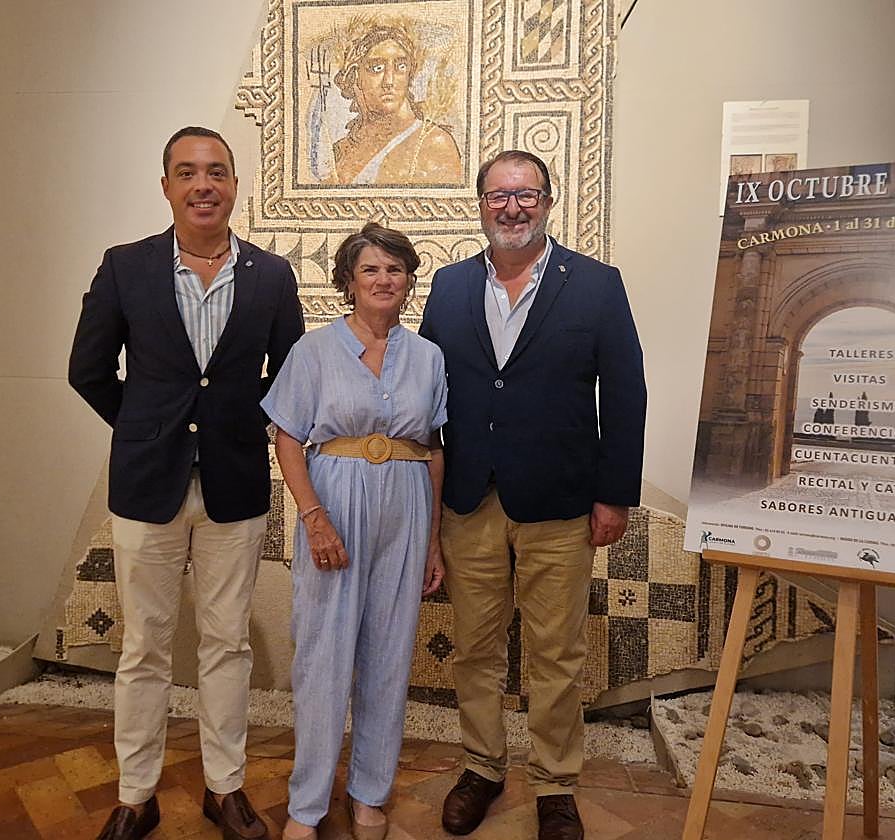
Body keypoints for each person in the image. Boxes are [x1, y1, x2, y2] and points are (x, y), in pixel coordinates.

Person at [69, 126, 304, 840]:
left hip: (233, 486)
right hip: (148, 486)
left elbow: (290, 378)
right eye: (188, 172)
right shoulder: (125, 267)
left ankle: (223, 788)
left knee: (226, 643)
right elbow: (87, 370)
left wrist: (235, 422)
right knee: (144, 647)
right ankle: (136, 794)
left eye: (218, 172)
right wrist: (145, 425)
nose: (204, 185)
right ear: (166, 185)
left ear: (235, 185)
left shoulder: (271, 275)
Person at [418, 150, 646, 840]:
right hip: (470, 499)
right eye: (498, 196)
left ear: (548, 201)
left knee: (556, 655)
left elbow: (626, 392)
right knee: (475, 650)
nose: (512, 208)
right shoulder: (450, 286)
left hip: (560, 502)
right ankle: (482, 769)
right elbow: (428, 391)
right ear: (481, 203)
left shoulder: (598, 285)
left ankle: (554, 786)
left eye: (526, 195)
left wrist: (615, 495)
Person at [260, 222, 448, 840]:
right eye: (371, 269)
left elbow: (434, 446)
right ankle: (306, 805)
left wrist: (435, 539)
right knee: (323, 658)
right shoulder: (313, 351)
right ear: (348, 282)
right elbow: (289, 438)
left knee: (389, 658)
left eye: (395, 269)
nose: (384, 280)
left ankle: (369, 794)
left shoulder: (428, 356)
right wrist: (314, 518)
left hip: (408, 508)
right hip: (334, 506)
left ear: (409, 280)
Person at [328, 21, 462, 185]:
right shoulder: (339, 151)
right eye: (377, 68)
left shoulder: (434, 143)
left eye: (401, 66)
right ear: (356, 77)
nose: (389, 81)